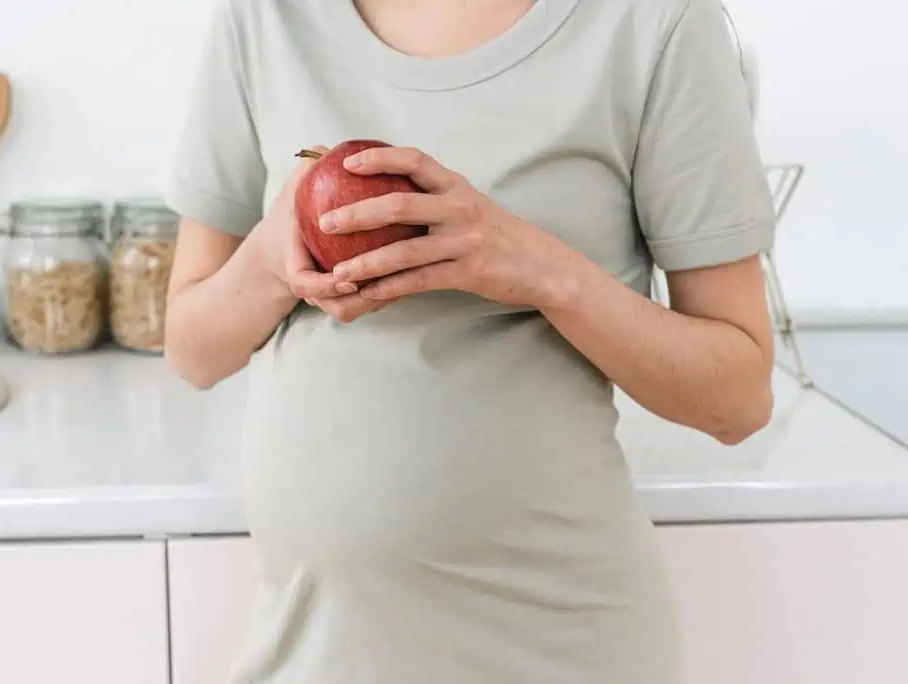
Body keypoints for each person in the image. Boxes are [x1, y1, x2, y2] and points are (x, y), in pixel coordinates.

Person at [163, 0, 776, 681]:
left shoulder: (655, 23)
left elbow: (738, 398)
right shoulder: (264, 18)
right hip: (313, 652)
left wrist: (542, 271)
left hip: (558, 650)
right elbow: (192, 351)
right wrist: (274, 259)